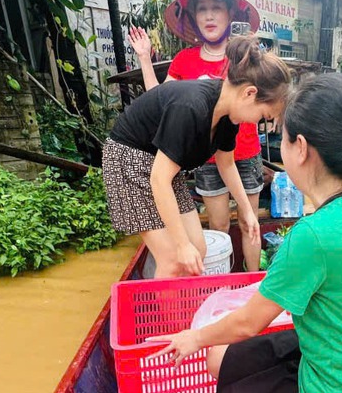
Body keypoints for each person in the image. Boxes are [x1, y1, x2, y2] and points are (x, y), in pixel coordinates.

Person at [149, 73, 342, 392]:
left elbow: (248, 323)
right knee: (221, 358)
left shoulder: (313, 235)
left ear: (301, 148)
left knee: (216, 356)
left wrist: (193, 337)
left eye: (282, 137)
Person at [102, 35, 291, 278]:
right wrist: (181, 245)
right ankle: (163, 301)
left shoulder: (228, 116)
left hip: (163, 165)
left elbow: (226, 164)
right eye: (263, 116)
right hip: (130, 159)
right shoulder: (192, 107)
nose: (258, 122)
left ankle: (176, 293)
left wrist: (246, 211)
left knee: (198, 249)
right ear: (249, 93)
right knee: (173, 259)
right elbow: (159, 179)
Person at [129, 0, 267, 271]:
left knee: (249, 221)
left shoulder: (244, 57)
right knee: (218, 224)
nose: (209, 15)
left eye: (216, 8)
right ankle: (221, 281)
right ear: (193, 18)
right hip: (206, 157)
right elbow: (160, 100)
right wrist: (144, 59)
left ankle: (252, 282)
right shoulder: (185, 59)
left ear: (230, 14)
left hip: (245, 152)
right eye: (202, 9)